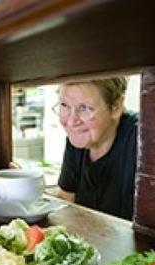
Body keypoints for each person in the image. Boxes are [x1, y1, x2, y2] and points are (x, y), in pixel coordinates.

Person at [54, 77, 138, 220]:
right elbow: (66, 198)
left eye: (85, 108)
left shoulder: (140, 139)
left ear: (116, 107)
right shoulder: (80, 137)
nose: (71, 121)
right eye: (64, 105)